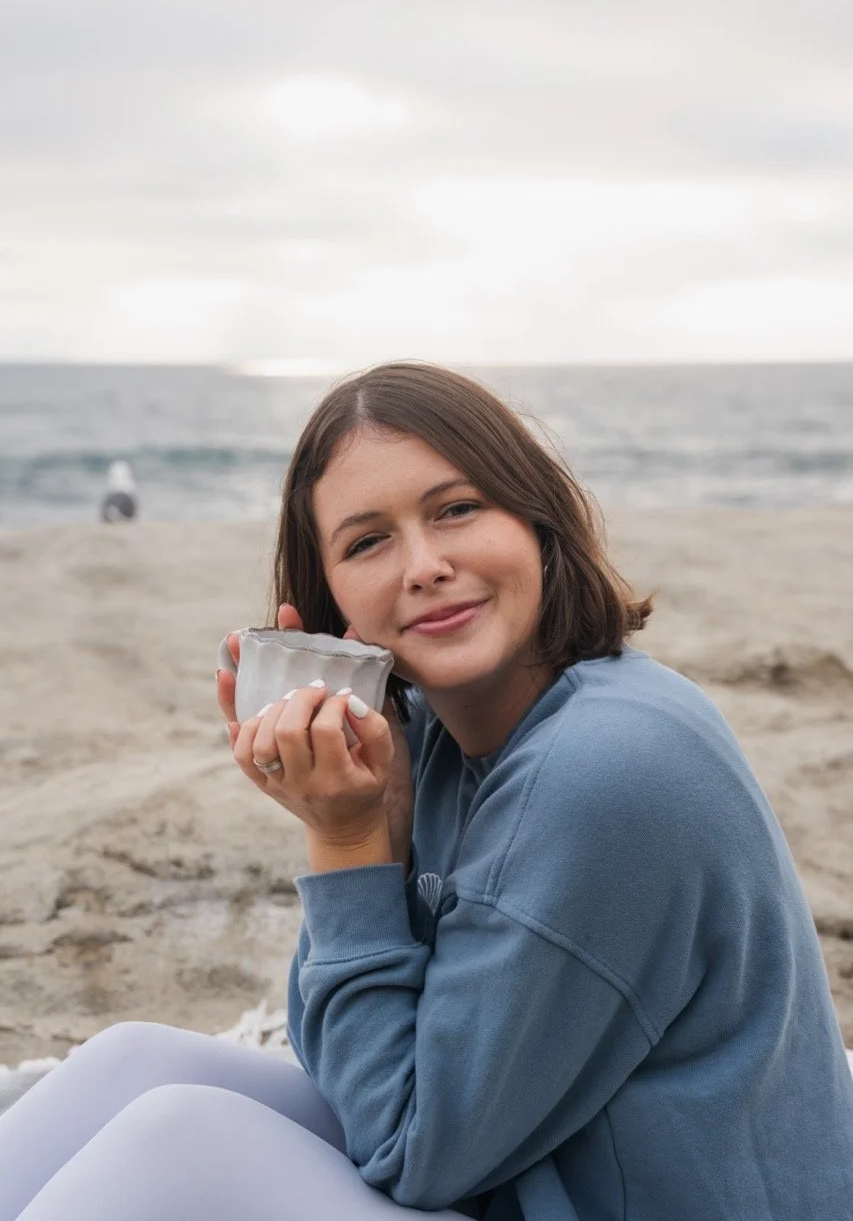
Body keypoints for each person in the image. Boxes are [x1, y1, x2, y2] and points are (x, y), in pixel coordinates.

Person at [1, 361, 851, 1219]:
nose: (424, 565)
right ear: (333, 607)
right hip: (520, 1174)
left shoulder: (605, 767)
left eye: (456, 509)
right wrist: (383, 822)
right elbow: (343, 1060)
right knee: (132, 1063)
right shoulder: (450, 739)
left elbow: (407, 1148)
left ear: (536, 520)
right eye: (367, 541)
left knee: (180, 1137)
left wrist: (344, 849)